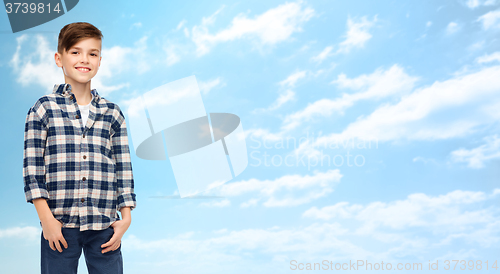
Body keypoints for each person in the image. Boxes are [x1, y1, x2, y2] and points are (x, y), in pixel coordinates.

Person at [23, 22, 137, 274]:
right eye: (75, 52)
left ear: (99, 60)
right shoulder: (43, 108)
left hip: (105, 226)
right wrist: (47, 221)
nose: (84, 59)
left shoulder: (113, 113)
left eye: (92, 53)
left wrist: (125, 218)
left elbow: (123, 168)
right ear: (59, 58)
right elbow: (33, 170)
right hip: (59, 226)